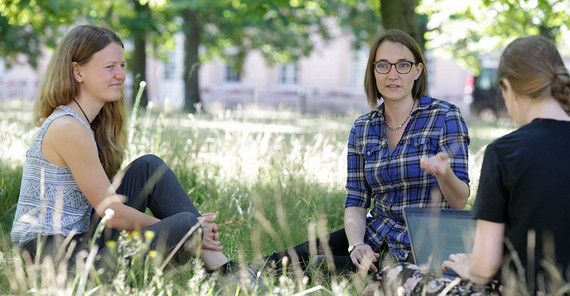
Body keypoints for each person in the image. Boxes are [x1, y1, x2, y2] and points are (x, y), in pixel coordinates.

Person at [10, 25, 233, 275]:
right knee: (185, 224)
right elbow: (112, 214)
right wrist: (187, 230)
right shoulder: (68, 127)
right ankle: (225, 274)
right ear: (77, 72)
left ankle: (223, 271)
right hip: (53, 261)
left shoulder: (85, 123)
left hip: (82, 241)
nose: (121, 75)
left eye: (122, 66)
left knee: (149, 167)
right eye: (110, 67)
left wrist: (191, 232)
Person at [262, 29, 470, 277]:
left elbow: (460, 201)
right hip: (375, 234)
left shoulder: (445, 116)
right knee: (288, 259)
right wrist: (357, 244)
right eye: (383, 65)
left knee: (319, 267)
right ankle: (230, 271)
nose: (392, 74)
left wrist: (444, 173)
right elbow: (356, 202)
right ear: (373, 70)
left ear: (418, 70)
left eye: (403, 65)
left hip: (422, 246)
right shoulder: (363, 127)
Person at [442, 35, 570, 294]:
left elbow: (484, 269)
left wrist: (472, 268)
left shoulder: (504, 152)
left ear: (507, 86)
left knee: (400, 274)